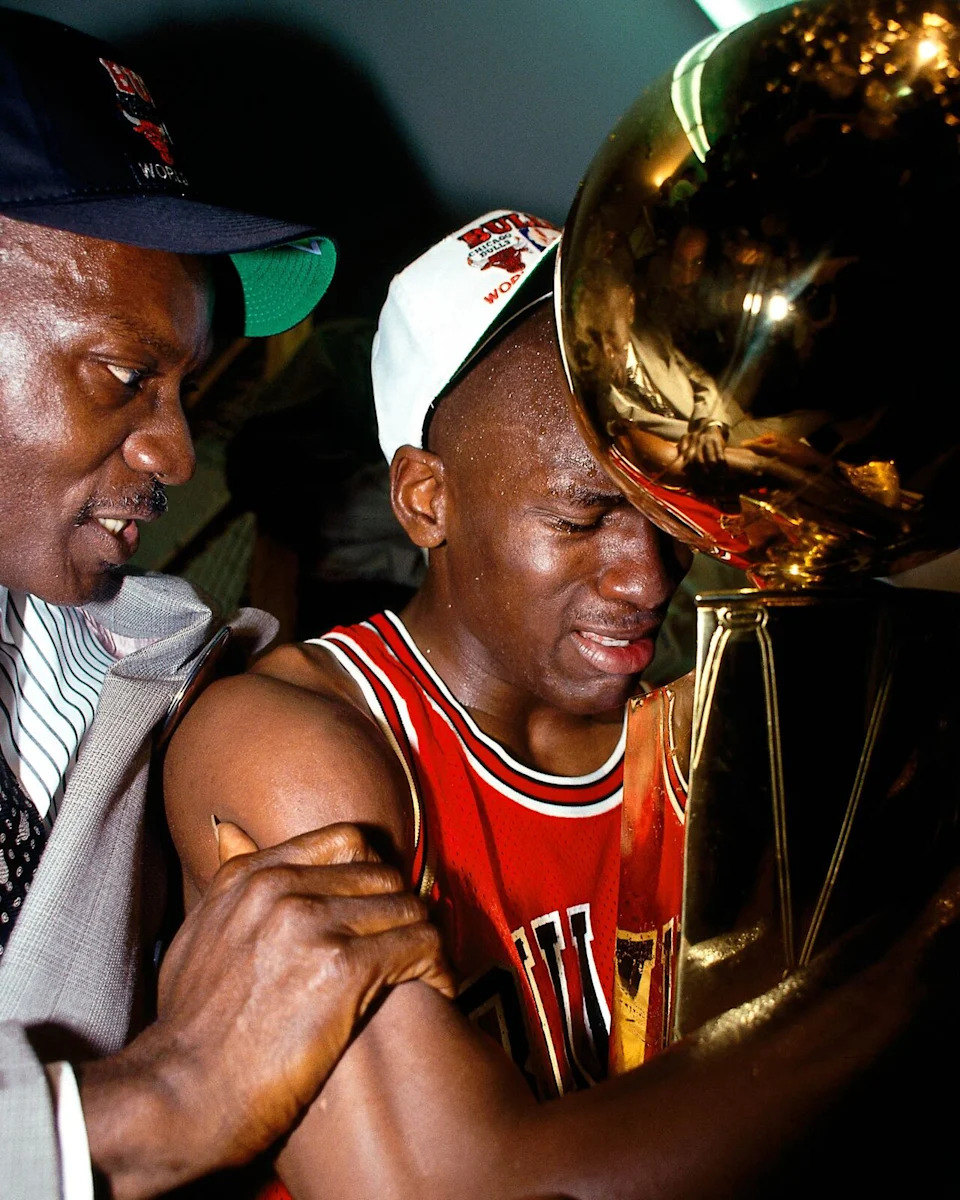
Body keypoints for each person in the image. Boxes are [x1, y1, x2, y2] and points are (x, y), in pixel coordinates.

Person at [166, 211, 959, 1198]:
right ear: (426, 500)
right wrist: (921, 955)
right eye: (584, 517)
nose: (647, 575)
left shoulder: (707, 724)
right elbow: (447, 1190)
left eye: (669, 511)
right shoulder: (295, 743)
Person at [0, 10, 453, 1199]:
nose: (176, 449)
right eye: (124, 374)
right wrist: (149, 1105)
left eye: (186, 387)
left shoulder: (145, 671)